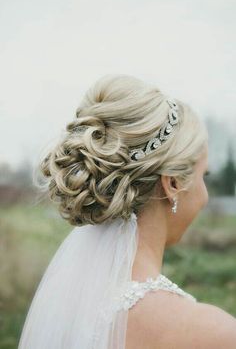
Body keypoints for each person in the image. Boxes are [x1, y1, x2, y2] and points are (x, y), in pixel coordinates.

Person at [18, 74, 236, 348]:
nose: (205, 194)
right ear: (173, 183)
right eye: (204, 175)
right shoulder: (212, 334)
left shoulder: (59, 306)